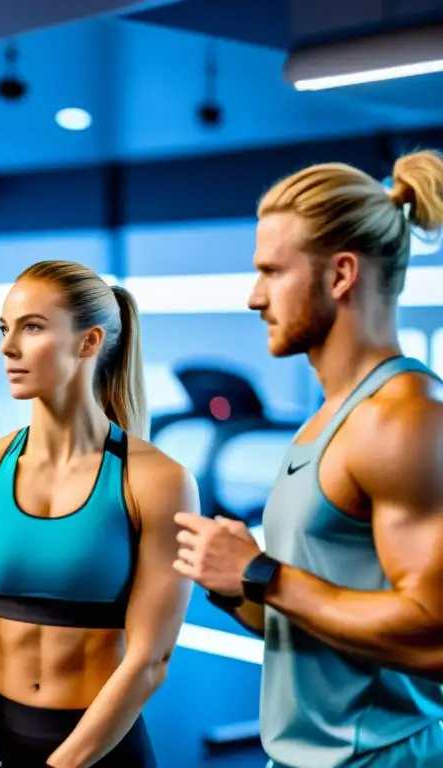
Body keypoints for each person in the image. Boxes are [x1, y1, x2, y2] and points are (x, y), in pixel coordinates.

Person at [173, 150, 443, 768]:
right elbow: (315, 627)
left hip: (385, 757)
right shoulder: (328, 418)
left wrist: (264, 573)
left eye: (272, 272)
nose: (252, 297)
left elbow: (435, 634)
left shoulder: (402, 418)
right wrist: (230, 581)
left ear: (340, 274)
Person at [0, 261, 199, 767]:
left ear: (88, 341)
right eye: (4, 328)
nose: (7, 347)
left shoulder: (158, 482)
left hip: (103, 752)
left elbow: (149, 660)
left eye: (31, 327)